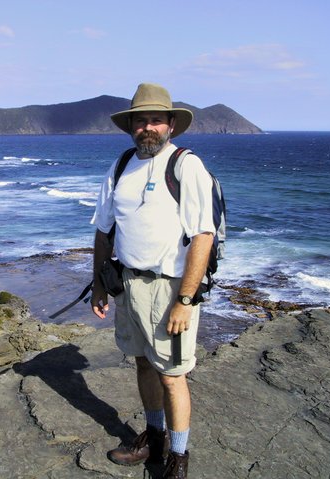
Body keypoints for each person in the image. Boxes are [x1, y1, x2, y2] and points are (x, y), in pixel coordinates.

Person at [91, 83, 215, 479]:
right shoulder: (122, 164)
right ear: (131, 127)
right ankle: (155, 437)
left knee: (173, 375)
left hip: (169, 288)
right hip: (128, 284)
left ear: (172, 125)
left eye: (156, 120)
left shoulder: (186, 165)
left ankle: (178, 457)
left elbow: (203, 237)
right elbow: (103, 227)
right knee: (144, 363)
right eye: (140, 121)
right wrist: (98, 282)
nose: (148, 127)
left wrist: (185, 299)